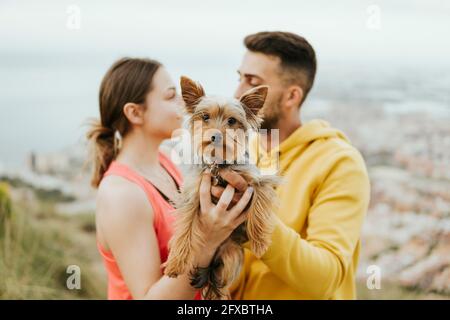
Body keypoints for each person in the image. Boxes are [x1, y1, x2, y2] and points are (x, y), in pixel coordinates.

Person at [87, 57, 254, 299]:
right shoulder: (121, 194)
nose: (183, 102)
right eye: (170, 95)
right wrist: (207, 241)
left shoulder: (165, 161)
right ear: (135, 113)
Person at [227, 31, 371, 299]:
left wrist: (252, 222)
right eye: (240, 78)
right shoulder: (240, 151)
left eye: (252, 82)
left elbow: (326, 279)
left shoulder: (339, 163)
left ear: (292, 96)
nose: (237, 93)